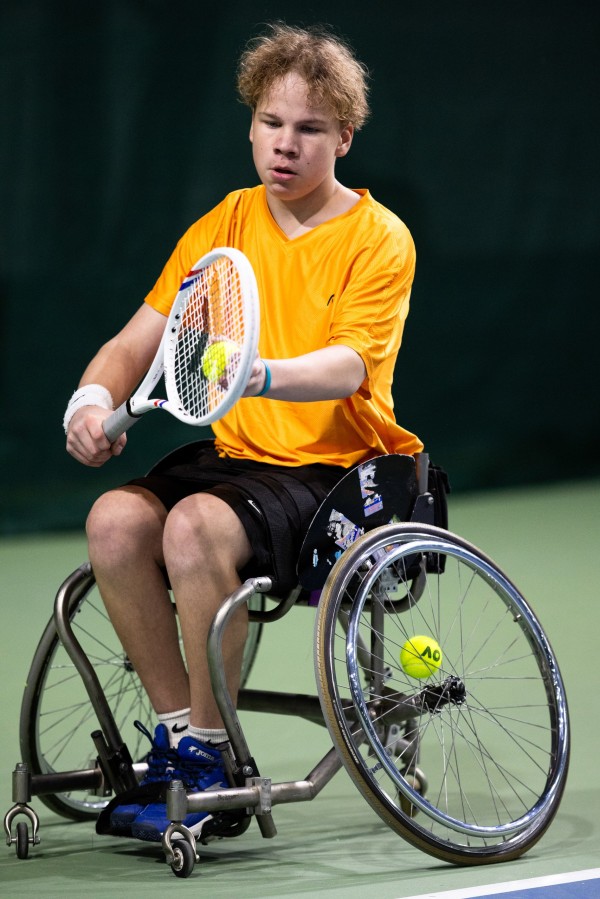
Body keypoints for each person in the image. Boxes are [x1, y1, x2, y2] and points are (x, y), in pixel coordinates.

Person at [63, 22, 423, 843]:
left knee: (193, 526)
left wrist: (257, 373)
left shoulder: (378, 238)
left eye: (309, 128)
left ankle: (212, 751)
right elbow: (137, 340)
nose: (285, 144)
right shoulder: (225, 222)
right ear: (251, 125)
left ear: (345, 137)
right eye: (270, 122)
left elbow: (348, 366)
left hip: (332, 473)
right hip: (237, 458)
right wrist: (88, 401)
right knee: (113, 521)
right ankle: (180, 743)